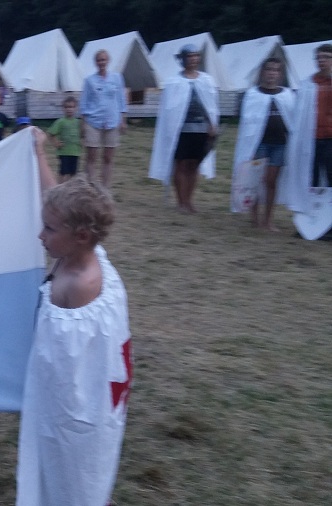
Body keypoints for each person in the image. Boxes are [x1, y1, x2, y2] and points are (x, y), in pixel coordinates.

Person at [17, 164, 132, 506]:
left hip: (78, 406)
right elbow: (57, 200)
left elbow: (64, 372)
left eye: (49, 229)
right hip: (101, 395)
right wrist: (37, 152)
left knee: (71, 469)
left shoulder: (79, 287)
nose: (41, 236)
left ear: (80, 235)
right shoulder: (87, 251)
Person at [148, 44, 219, 213]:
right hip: (180, 130)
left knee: (194, 165)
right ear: (183, 59)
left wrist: (212, 124)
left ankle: (189, 200)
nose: (193, 59)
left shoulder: (206, 81)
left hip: (200, 130)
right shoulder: (174, 82)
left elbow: (212, 107)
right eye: (190, 56)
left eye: (196, 56)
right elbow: (169, 109)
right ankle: (181, 201)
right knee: (181, 164)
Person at [231, 57, 296, 230]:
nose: (272, 73)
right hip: (259, 144)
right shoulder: (252, 95)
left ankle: (268, 219)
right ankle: (255, 218)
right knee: (256, 181)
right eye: (269, 69)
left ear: (280, 74)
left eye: (276, 70)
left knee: (271, 181)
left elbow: (293, 121)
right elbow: (247, 123)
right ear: (262, 72)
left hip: (279, 144)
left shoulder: (287, 95)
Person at [288, 43, 332, 201]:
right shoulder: (308, 84)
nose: (321, 61)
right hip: (312, 138)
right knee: (311, 176)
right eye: (318, 58)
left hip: (330, 138)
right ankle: (313, 210)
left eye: (326, 57)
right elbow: (300, 113)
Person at [80, 50, 127, 186]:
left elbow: (121, 99)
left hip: (112, 121)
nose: (102, 62)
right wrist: (82, 124)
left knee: (108, 157)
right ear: (96, 62)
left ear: (108, 61)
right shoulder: (89, 80)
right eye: (99, 60)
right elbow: (84, 102)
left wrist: (123, 120)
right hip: (93, 121)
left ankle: (105, 188)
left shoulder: (117, 78)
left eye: (104, 60)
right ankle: (90, 186)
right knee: (91, 156)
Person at [47, 96, 83, 183]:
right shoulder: (61, 121)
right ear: (63, 108)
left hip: (75, 152)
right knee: (63, 172)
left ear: (76, 108)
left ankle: (70, 188)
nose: (69, 109)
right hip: (64, 152)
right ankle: (60, 187)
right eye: (67, 107)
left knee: (73, 173)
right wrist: (56, 143)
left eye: (72, 107)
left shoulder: (78, 122)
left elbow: (83, 134)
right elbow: (50, 134)